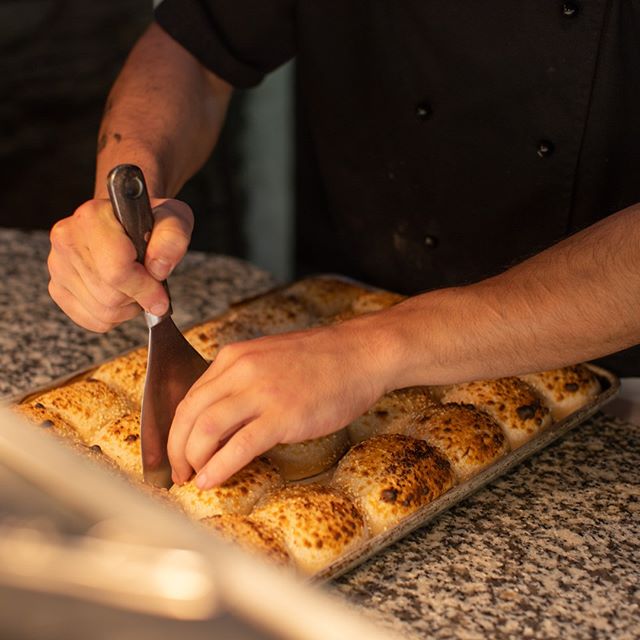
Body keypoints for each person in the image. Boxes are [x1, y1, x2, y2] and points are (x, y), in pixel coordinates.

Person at [47, 1, 640, 489]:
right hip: (338, 312)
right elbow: (196, 51)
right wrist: (128, 191)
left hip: (610, 398)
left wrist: (373, 349)